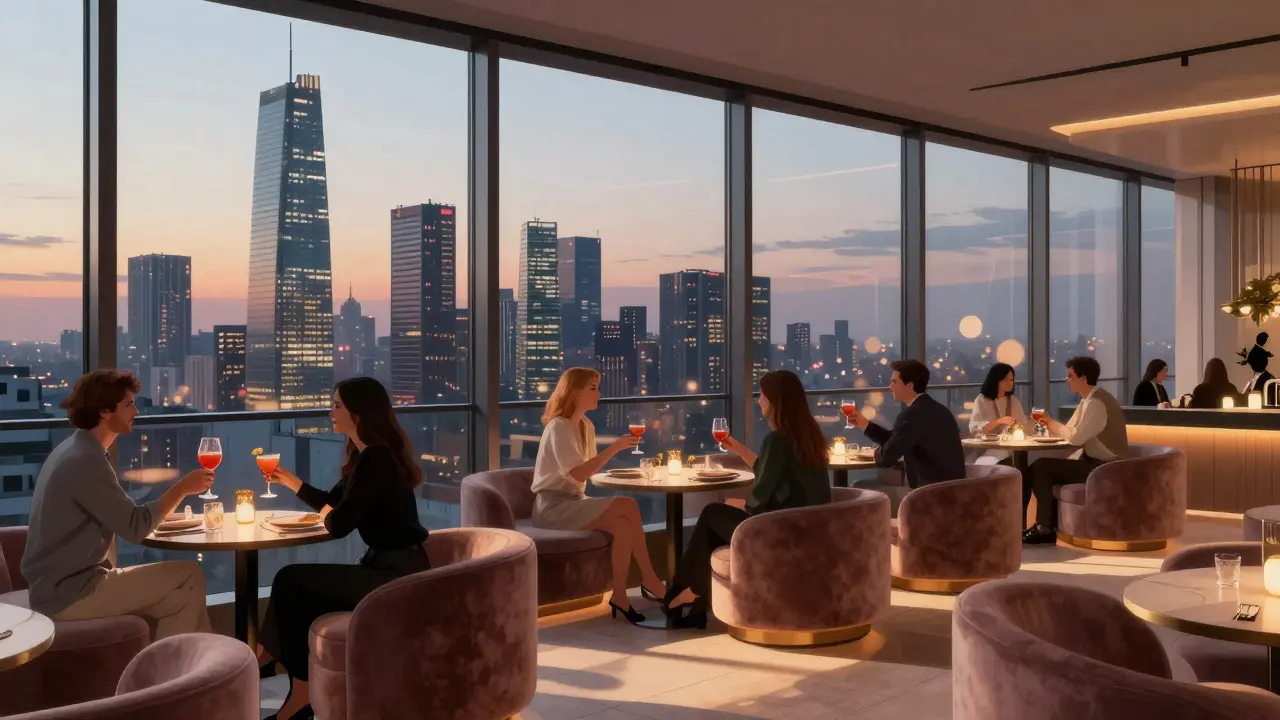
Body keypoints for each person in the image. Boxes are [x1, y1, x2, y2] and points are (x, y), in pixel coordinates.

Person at [258, 377, 432, 720]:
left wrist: (329, 513)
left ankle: (275, 670)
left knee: (291, 580)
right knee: (298, 589)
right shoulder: (365, 455)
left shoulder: (376, 459)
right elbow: (331, 502)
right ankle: (291, 687)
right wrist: (289, 480)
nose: (331, 412)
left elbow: (338, 524)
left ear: (359, 412)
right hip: (383, 567)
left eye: (337, 405)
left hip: (396, 576)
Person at [21, 369, 213, 640]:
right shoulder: (86, 460)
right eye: (129, 404)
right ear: (104, 412)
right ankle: (186, 671)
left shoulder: (76, 449)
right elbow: (135, 528)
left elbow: (121, 515)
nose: (136, 411)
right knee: (189, 575)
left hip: (56, 587)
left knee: (180, 600)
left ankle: (176, 673)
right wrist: (183, 488)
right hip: (71, 593)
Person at [663, 370, 830, 629]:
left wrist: (740, 504)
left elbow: (758, 500)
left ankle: (683, 594)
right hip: (804, 528)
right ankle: (693, 599)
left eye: (762, 395)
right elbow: (774, 473)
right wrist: (738, 448)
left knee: (711, 513)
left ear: (775, 400)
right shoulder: (809, 436)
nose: (759, 400)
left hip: (777, 530)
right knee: (718, 519)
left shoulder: (777, 440)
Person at [531, 367, 666, 625]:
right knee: (627, 504)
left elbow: (589, 469)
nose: (599, 394)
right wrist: (614, 448)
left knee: (623, 526)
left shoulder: (586, 426)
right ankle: (650, 578)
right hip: (552, 509)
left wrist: (611, 460)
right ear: (573, 394)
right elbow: (579, 474)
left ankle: (619, 596)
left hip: (574, 502)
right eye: (592, 388)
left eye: (598, 387)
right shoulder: (559, 427)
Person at [1022, 357, 1129, 544]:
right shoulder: (1087, 401)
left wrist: (1050, 422)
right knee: (1042, 468)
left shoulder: (1097, 403)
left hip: (1105, 469)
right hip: (1093, 464)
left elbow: (1075, 437)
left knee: (1041, 467)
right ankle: (1045, 526)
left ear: (1083, 378)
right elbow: (1069, 431)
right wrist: (1050, 424)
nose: (1067, 380)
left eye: (1070, 376)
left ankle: (1045, 528)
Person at [850, 359, 965, 489]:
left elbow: (887, 458)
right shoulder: (939, 410)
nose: (890, 387)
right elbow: (899, 439)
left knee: (861, 487)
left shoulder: (911, 416)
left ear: (909, 385)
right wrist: (866, 425)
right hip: (954, 491)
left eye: (894, 382)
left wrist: (874, 453)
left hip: (929, 495)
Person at [967, 363, 1029, 464]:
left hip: (1009, 447)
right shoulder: (982, 400)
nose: (1010, 383)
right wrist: (999, 421)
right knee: (987, 460)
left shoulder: (1013, 401)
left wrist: (1016, 427)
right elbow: (975, 429)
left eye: (1011, 380)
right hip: (986, 448)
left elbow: (1023, 424)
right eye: (1005, 380)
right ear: (996, 380)